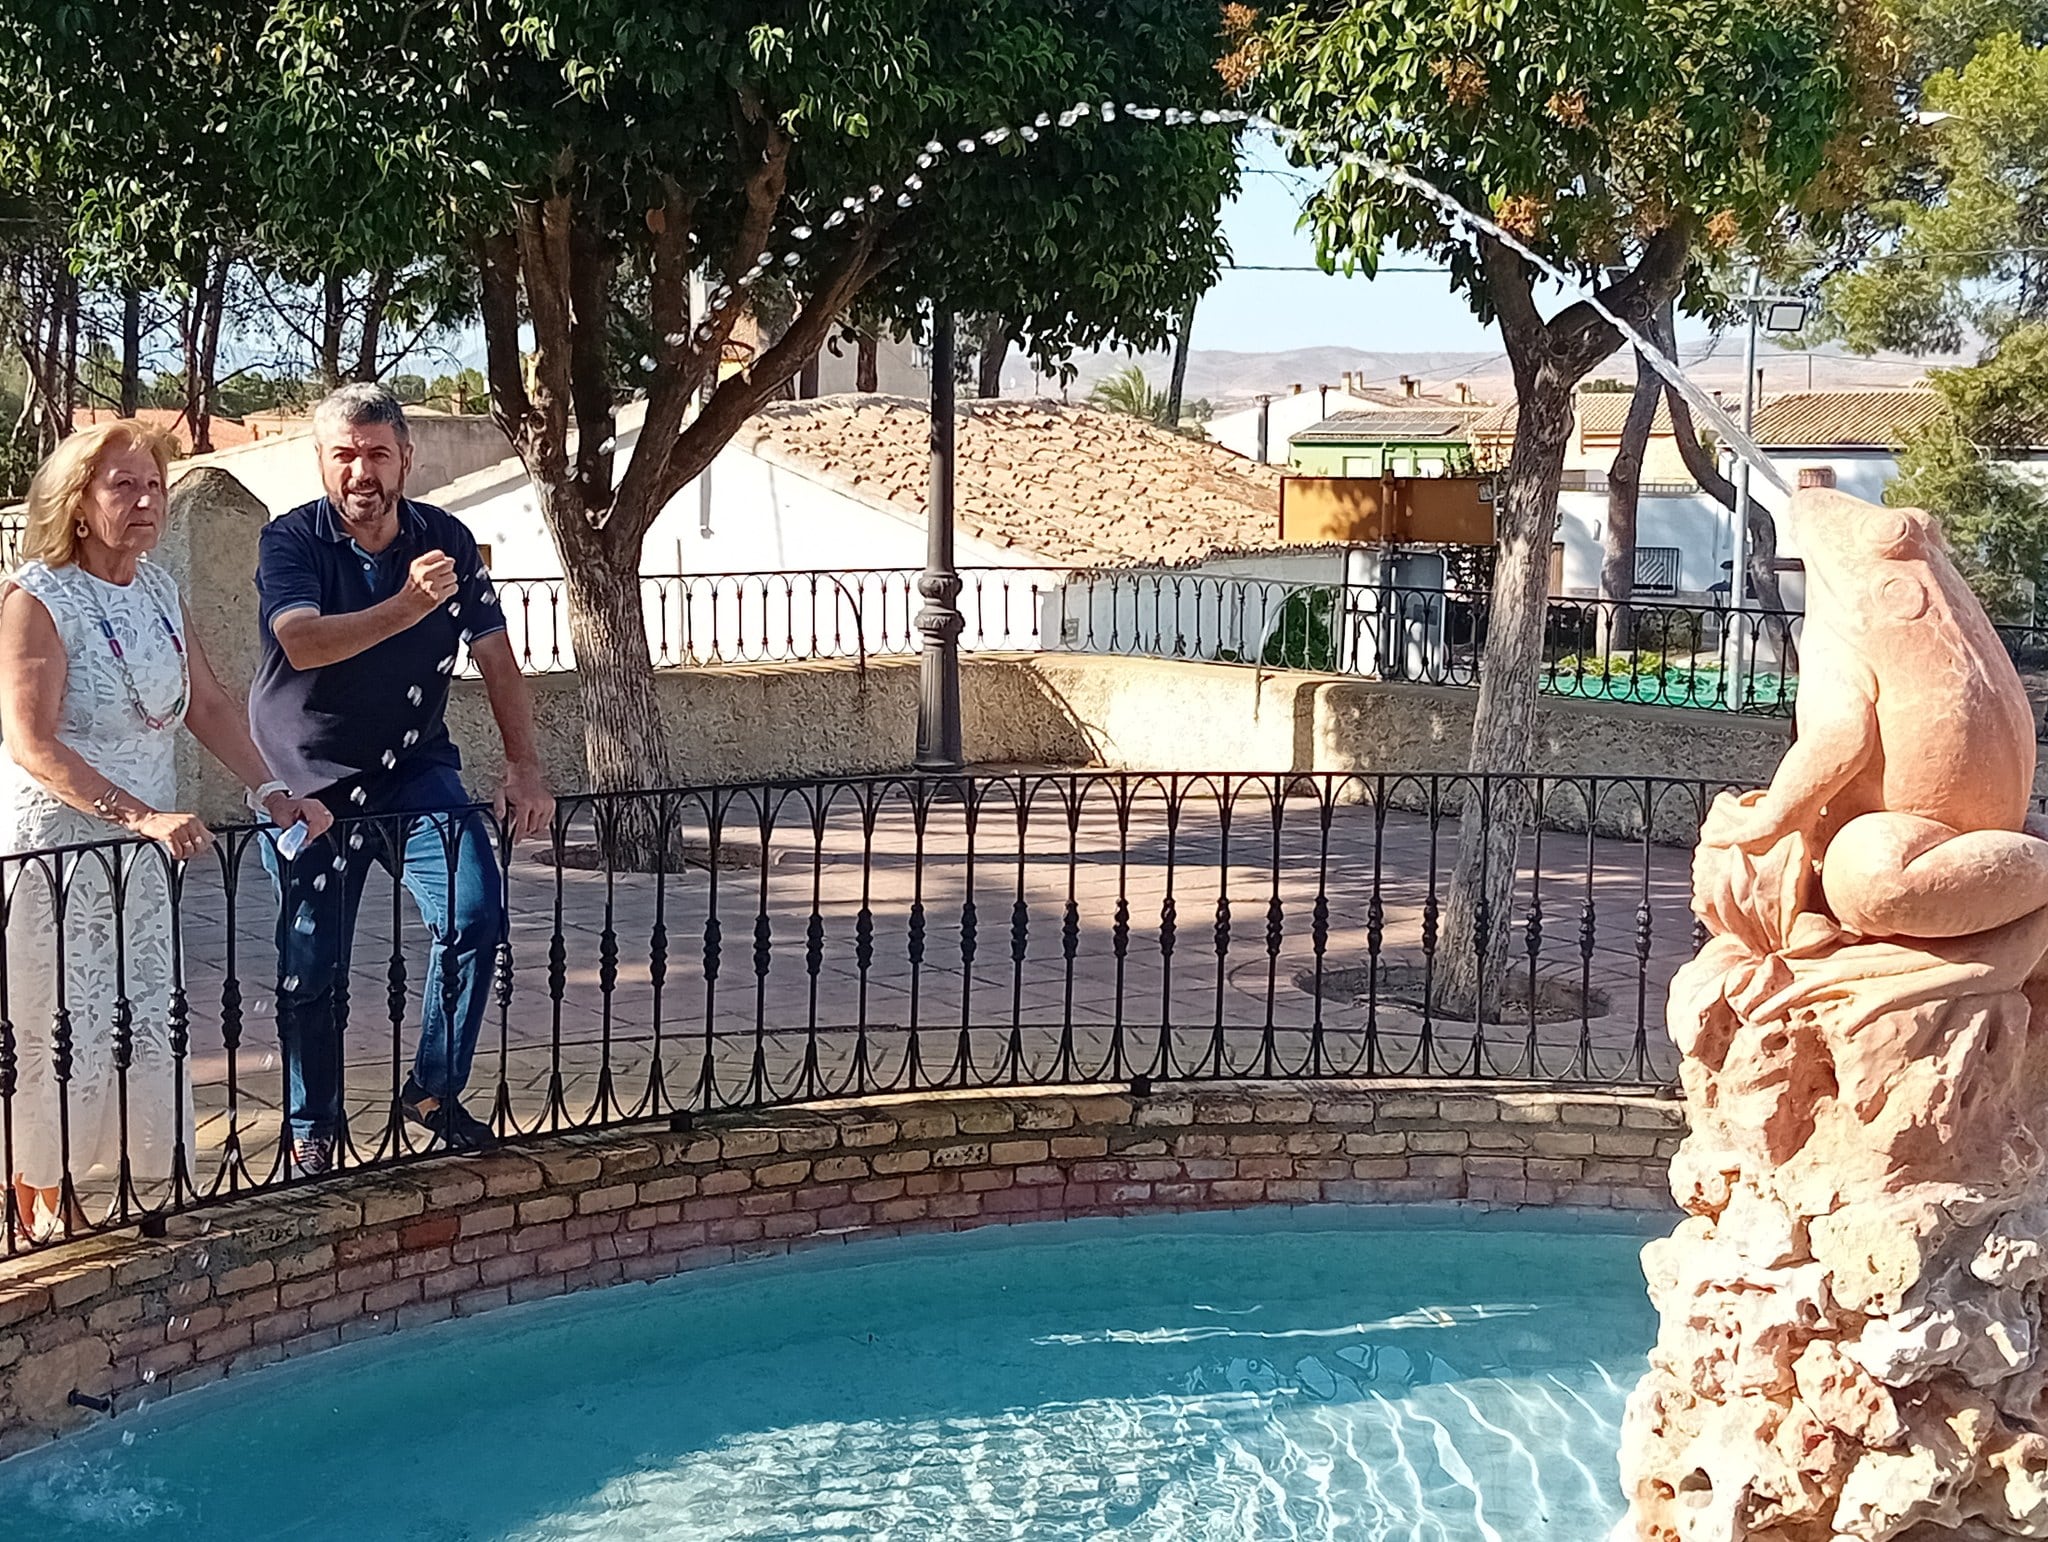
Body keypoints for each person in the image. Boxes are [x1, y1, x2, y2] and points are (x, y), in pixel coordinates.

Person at [0, 421, 332, 1242]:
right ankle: (41, 1190)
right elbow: (32, 743)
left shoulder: (156, 591)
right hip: (65, 841)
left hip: (147, 845)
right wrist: (139, 815)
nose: (146, 499)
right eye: (123, 485)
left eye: (153, 483)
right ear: (78, 504)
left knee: (136, 1002)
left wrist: (273, 789)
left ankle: (117, 1174)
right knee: (58, 1013)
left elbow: (209, 706)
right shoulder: (36, 597)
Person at [252, 384, 552, 1175]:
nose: (361, 472)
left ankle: (430, 1089)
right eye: (344, 455)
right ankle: (312, 1122)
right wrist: (410, 604)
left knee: (476, 915)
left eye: (377, 454)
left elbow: (494, 656)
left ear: (405, 461)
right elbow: (305, 645)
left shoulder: (445, 537)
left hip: (414, 768)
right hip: (306, 780)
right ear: (321, 462)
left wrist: (523, 767)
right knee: (312, 964)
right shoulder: (290, 542)